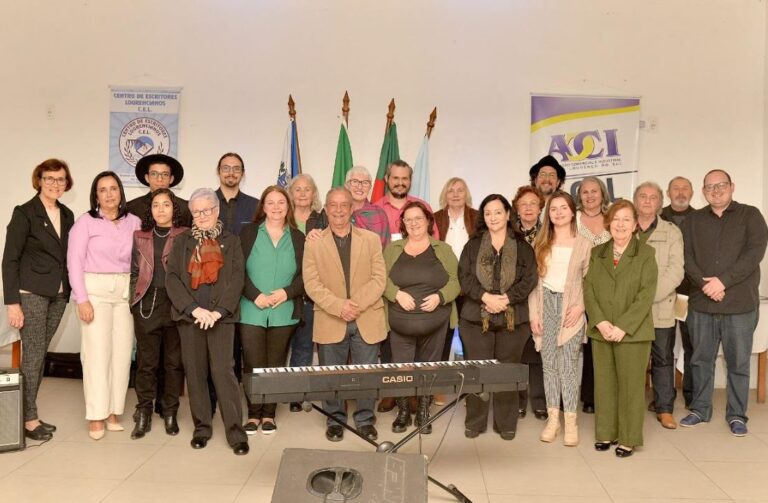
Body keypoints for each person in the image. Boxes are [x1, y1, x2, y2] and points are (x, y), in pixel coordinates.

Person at [680, 170, 768, 436]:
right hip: (702, 304)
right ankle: (700, 409)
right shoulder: (692, 220)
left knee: (738, 363)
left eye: (721, 185)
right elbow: (685, 256)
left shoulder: (750, 215)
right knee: (700, 360)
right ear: (703, 191)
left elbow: (755, 253)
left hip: (739, 305)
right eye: (710, 187)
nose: (716, 190)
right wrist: (706, 284)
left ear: (732, 187)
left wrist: (723, 282)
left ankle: (737, 415)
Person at [165, 188, 249, 455]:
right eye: (196, 212)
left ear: (216, 211)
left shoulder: (232, 241)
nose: (201, 216)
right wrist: (193, 309)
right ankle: (202, 428)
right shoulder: (182, 241)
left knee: (224, 373)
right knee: (196, 374)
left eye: (206, 210)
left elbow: (237, 278)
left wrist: (218, 311)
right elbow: (173, 279)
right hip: (191, 319)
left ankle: (236, 433)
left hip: (220, 319)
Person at [303, 188, 386, 442]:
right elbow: (311, 283)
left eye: (344, 205)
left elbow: (379, 278)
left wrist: (355, 304)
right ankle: (335, 419)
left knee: (367, 373)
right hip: (331, 317)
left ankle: (365, 419)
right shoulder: (314, 242)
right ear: (326, 209)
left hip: (367, 316)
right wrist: (340, 306)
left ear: (352, 209)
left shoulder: (370, 239)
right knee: (332, 374)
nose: (338, 210)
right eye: (333, 205)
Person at [2, 159, 75, 441]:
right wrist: (12, 303)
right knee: (32, 357)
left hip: (59, 294)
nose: (55, 184)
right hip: (31, 294)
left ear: (67, 183)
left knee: (38, 354)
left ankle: (26, 412)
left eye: (60, 179)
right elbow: (9, 260)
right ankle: (28, 419)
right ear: (39, 180)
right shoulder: (25, 213)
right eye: (49, 178)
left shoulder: (67, 214)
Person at [67, 171, 141, 440]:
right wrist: (82, 299)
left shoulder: (134, 222)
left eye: (113, 188)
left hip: (124, 294)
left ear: (121, 191)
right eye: (103, 190)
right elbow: (74, 262)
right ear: (95, 195)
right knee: (97, 355)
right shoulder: (85, 223)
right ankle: (96, 416)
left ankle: (113, 412)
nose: (109, 194)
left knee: (122, 355)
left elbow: (140, 261)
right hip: (94, 293)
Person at [459, 194, 537, 440]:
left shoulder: (523, 247)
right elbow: (465, 277)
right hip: (475, 318)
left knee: (507, 372)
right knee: (477, 372)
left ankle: (506, 423)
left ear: (507, 214)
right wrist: (485, 297)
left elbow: (530, 279)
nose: (493, 217)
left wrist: (505, 299)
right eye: (487, 213)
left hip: (512, 318)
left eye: (497, 212)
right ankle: (475, 422)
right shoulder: (472, 245)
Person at [584, 199, 657, 457]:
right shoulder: (598, 253)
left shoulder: (646, 254)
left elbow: (646, 295)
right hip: (601, 330)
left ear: (635, 224)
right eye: (616, 219)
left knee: (630, 386)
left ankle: (628, 437)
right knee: (604, 384)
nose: (621, 224)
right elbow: (589, 290)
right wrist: (601, 322)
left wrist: (623, 327)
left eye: (627, 219)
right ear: (608, 223)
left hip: (633, 333)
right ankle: (605, 432)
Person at [383, 201, 460, 434]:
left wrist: (440, 297)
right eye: (409, 219)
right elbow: (380, 279)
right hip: (399, 322)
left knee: (428, 367)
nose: (414, 223)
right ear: (403, 224)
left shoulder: (443, 250)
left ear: (428, 221)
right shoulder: (392, 250)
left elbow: (456, 281)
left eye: (419, 218)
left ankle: (425, 411)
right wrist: (396, 294)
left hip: (435, 322)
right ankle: (404, 411)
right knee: (401, 369)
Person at [373, 160, 438, 412]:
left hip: (420, 285)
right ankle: (392, 392)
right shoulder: (375, 209)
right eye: (395, 178)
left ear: (410, 180)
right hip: (387, 285)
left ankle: (415, 395)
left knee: (419, 347)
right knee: (390, 345)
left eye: (404, 178)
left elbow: (436, 246)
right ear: (387, 179)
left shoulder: (423, 207)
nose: (400, 182)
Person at [239, 186, 305, 435]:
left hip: (283, 310)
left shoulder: (299, 238)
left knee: (275, 364)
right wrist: (255, 295)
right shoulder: (248, 233)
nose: (276, 207)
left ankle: (269, 414)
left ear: (288, 207)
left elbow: (306, 276)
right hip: (251, 308)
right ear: (263, 207)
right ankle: (253, 414)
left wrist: (286, 292)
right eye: (270, 203)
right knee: (253, 364)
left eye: (281, 203)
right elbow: (237, 270)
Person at [529, 191, 591, 446]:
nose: (558, 212)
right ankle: (553, 418)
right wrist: (534, 314)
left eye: (563, 207)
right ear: (548, 214)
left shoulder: (584, 243)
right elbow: (533, 283)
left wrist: (581, 307)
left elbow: (591, 282)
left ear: (571, 210)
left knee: (568, 366)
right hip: (546, 305)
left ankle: (571, 421)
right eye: (553, 209)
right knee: (549, 364)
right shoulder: (540, 242)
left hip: (571, 307)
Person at [128, 189, 188, 439]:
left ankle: (171, 411)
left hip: (175, 304)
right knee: (146, 364)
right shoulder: (139, 236)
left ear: (174, 209)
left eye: (166, 204)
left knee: (173, 363)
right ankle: (143, 412)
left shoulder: (185, 235)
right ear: (150, 210)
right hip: (147, 305)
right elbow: (133, 271)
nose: (161, 209)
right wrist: (134, 299)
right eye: (156, 205)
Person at [634, 182, 684, 430]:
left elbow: (676, 271)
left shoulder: (671, 232)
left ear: (660, 202)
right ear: (635, 200)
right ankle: (629, 407)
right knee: (631, 360)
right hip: (629, 309)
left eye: (652, 197)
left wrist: (648, 295)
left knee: (663, 358)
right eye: (642, 196)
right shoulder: (623, 228)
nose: (646, 201)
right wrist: (633, 298)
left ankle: (665, 409)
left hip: (660, 306)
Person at [433, 178, 478, 403]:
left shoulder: (477, 217)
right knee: (442, 337)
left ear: (466, 193)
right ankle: (438, 386)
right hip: (444, 284)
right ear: (445, 194)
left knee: (471, 337)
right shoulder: (436, 218)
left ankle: (471, 386)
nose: (456, 194)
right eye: (451, 190)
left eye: (460, 190)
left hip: (471, 287)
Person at [285, 173, 324, 412]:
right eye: (297, 189)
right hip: (283, 289)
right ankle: (277, 387)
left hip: (309, 291)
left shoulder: (322, 219)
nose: (301, 193)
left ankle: (297, 395)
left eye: (306, 189)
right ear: (290, 193)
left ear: (313, 194)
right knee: (280, 344)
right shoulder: (282, 217)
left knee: (303, 345)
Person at [575, 176, 612, 414]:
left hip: (609, 291)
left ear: (602, 194)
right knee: (585, 346)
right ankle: (588, 396)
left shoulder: (612, 218)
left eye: (594, 191)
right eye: (585, 192)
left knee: (604, 343)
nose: (590, 196)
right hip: (578, 291)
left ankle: (606, 395)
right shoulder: (573, 220)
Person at [511, 185, 547, 419]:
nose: (528, 208)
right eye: (523, 204)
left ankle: (540, 401)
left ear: (540, 207)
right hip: (514, 299)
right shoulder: (508, 233)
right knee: (518, 353)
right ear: (516, 208)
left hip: (541, 298)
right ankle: (519, 400)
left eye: (533, 204)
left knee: (538, 354)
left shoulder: (549, 233)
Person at [660, 176, 696, 407]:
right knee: (662, 346)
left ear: (692, 193)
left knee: (691, 343)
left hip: (687, 294)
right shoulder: (657, 217)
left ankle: (692, 395)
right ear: (668, 193)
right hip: (662, 292)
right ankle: (664, 398)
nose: (681, 192)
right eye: (676, 188)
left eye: (685, 189)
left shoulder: (702, 218)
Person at [126, 154, 191, 227]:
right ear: (147, 178)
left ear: (171, 179)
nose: (159, 179)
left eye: (165, 174)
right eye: (154, 174)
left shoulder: (185, 208)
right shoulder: (132, 208)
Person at [346, 166, 391, 248]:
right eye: (355, 182)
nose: (360, 187)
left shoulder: (379, 214)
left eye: (365, 183)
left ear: (370, 187)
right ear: (347, 185)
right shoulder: (338, 212)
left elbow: (386, 248)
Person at [215, 152, 259, 236]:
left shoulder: (255, 206)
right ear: (218, 171)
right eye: (226, 168)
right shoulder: (205, 202)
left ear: (242, 173)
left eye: (236, 169)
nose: (231, 173)